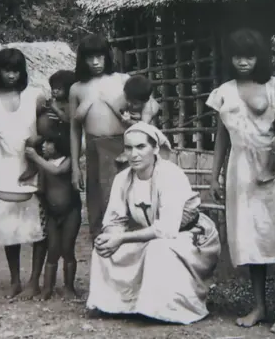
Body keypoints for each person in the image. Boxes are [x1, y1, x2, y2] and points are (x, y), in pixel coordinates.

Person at [208, 28, 275, 334]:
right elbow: (221, 139)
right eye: (238, 56)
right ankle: (258, 306)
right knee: (251, 238)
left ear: (260, 57)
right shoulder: (223, 92)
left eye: (250, 56)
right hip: (241, 169)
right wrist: (215, 175)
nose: (243, 62)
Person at [86, 122, 221, 324]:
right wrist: (111, 236)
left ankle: (167, 307)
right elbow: (115, 219)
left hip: (189, 236)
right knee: (104, 249)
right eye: (129, 148)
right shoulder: (123, 178)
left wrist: (121, 238)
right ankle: (117, 304)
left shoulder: (170, 174)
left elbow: (166, 229)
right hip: (149, 235)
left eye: (141, 147)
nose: (134, 154)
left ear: (155, 149)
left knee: (159, 250)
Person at [69, 34, 159, 242]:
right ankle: (105, 262)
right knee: (101, 207)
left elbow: (151, 103)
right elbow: (74, 130)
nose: (95, 62)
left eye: (99, 57)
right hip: (94, 151)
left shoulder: (122, 79)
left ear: (107, 56)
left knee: (133, 203)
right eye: (90, 58)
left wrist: (141, 124)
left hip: (126, 148)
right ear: (82, 60)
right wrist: (75, 166)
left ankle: (134, 260)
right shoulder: (77, 89)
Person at [0, 48, 47, 299]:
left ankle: (34, 280)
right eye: (7, 70)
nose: (12, 76)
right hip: (2, 166)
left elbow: (48, 131)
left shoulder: (35, 96)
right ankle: (15, 279)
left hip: (34, 164)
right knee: (8, 226)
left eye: (16, 70)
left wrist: (37, 162)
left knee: (38, 224)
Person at [24, 134, 81, 300]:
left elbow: (57, 171)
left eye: (49, 143)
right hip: (51, 213)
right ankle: (47, 288)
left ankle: (69, 287)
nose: (44, 146)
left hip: (70, 212)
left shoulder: (68, 161)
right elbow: (41, 187)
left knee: (67, 249)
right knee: (53, 250)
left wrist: (36, 158)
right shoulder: (44, 164)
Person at [18, 69, 76, 184]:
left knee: (47, 161)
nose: (54, 91)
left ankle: (40, 177)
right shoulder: (52, 102)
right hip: (46, 136)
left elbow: (68, 120)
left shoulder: (68, 104)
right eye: (53, 88)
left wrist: (55, 109)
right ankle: (32, 167)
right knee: (30, 141)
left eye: (59, 89)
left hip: (59, 138)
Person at [113, 75, 158, 168]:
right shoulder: (128, 95)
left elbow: (143, 127)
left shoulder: (149, 107)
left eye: (135, 103)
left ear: (145, 101)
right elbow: (117, 108)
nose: (130, 104)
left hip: (144, 128)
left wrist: (129, 121)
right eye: (128, 100)